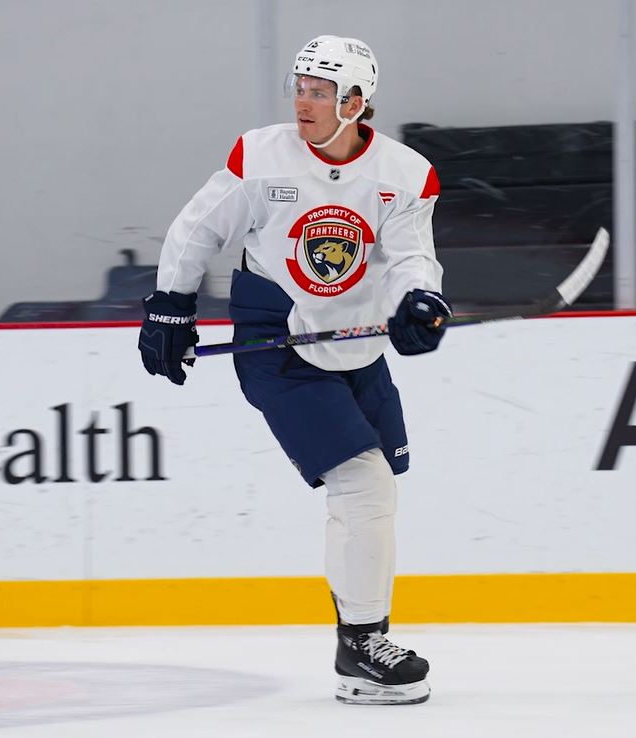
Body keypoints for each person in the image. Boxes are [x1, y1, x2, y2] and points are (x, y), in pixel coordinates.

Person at [137, 35, 447, 705]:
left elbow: (408, 259)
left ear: (356, 103)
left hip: (356, 344)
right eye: (299, 86)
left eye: (318, 91)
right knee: (361, 485)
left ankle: (357, 640)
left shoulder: (405, 173)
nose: (302, 101)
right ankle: (363, 643)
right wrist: (169, 306)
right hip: (277, 340)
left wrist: (418, 303)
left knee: (375, 490)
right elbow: (197, 229)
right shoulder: (259, 156)